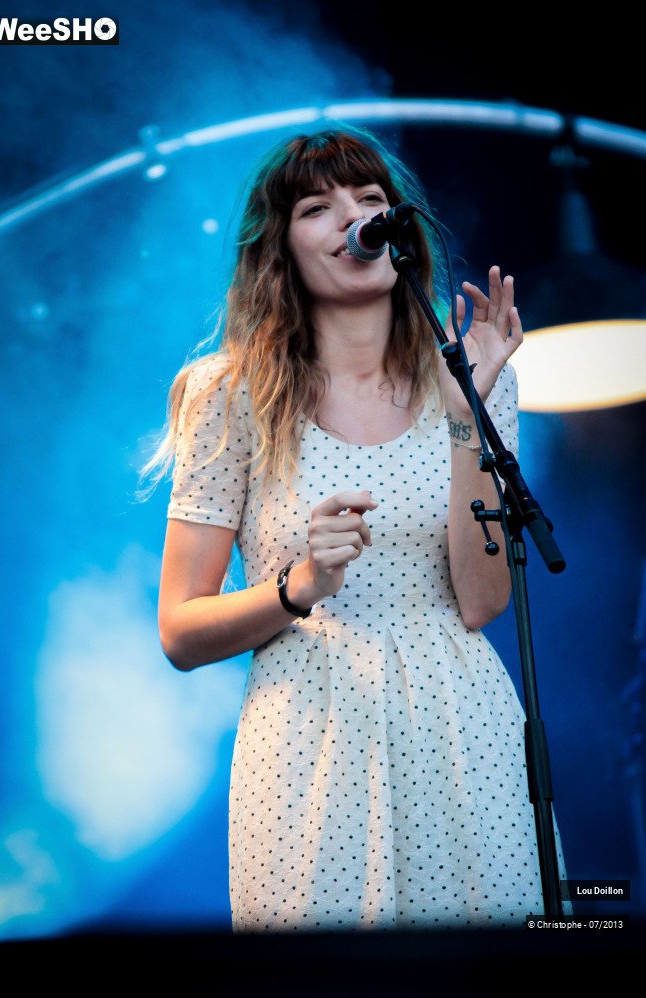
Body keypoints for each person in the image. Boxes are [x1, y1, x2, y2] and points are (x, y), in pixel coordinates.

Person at [150, 127, 562, 931]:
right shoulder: (227, 395)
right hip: (308, 732)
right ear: (279, 249)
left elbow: (480, 603)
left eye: (370, 199)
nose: (354, 217)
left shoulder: (474, 380)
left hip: (462, 723)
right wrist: (298, 586)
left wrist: (465, 418)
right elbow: (179, 631)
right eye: (318, 207)